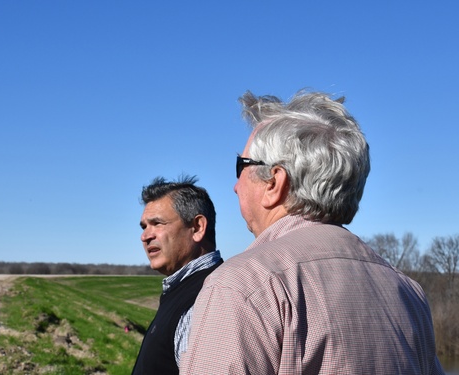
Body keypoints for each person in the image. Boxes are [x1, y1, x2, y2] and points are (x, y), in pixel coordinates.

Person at [180, 90, 444, 374]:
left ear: (273, 183)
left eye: (241, 166)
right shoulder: (408, 292)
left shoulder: (242, 286)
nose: (235, 185)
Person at [131, 175, 223, 375]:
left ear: (197, 228)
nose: (145, 236)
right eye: (144, 226)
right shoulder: (182, 289)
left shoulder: (209, 298)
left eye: (157, 223)